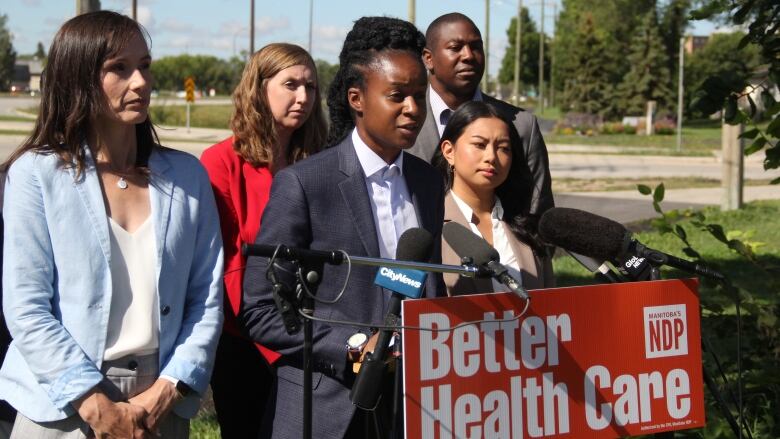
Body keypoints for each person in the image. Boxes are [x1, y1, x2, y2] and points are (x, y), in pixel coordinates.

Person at [0, 11, 223, 438]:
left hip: (159, 410)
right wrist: (96, 405)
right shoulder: (36, 175)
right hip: (60, 409)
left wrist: (167, 391)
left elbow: (206, 301)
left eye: (145, 65)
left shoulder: (188, 177)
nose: (140, 82)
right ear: (78, 78)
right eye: (118, 68)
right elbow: (26, 307)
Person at [240, 16, 445, 439]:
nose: (413, 109)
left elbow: (426, 287)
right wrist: (352, 346)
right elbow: (260, 311)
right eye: (397, 96)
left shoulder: (427, 182)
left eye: (420, 96)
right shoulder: (304, 184)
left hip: (411, 406)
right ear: (357, 97)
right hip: (326, 409)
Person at [200, 43, 327, 439]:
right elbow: (230, 264)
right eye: (290, 85)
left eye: (310, 86)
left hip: (318, 337)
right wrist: (281, 340)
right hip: (247, 343)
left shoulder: (322, 160)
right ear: (259, 88)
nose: (303, 97)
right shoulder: (220, 163)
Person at [407, 12, 554, 224]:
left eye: (476, 47)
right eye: (455, 48)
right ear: (428, 59)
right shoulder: (405, 120)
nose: (468, 55)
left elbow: (539, 213)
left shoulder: (521, 125)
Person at [437, 101, 555, 295]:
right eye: (479, 145)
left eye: (503, 148)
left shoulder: (526, 227)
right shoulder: (430, 223)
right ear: (449, 151)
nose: (491, 156)